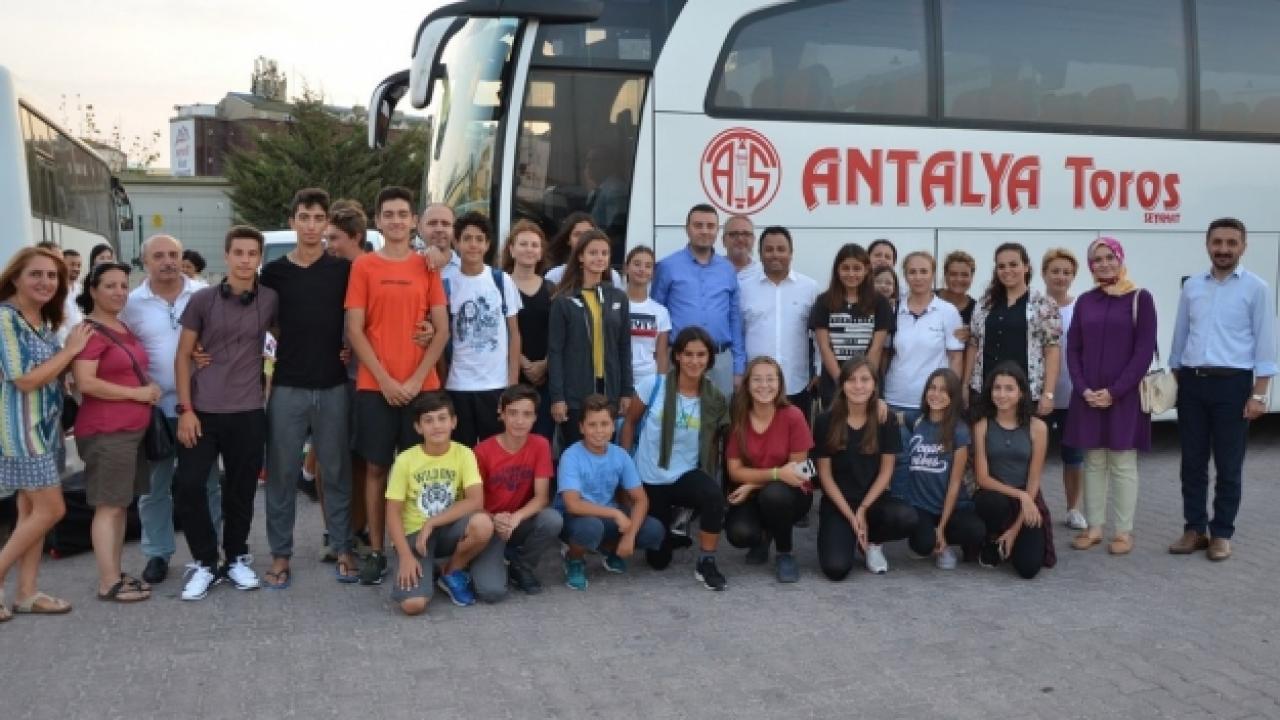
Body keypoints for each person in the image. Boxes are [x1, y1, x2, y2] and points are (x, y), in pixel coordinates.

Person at [346, 186, 450, 586]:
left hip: (422, 387)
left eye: (402, 214)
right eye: (388, 214)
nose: (395, 220)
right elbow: (355, 330)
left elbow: (441, 330)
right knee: (376, 468)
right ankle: (376, 550)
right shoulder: (364, 266)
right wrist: (387, 380)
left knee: (420, 469)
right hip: (376, 386)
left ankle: (415, 546)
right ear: (377, 220)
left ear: (413, 221)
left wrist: (416, 379)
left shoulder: (427, 265)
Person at [173, 226, 279, 601]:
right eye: (239, 252)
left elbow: (284, 341)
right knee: (188, 486)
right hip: (202, 410)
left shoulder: (270, 299)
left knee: (241, 490)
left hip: (248, 411)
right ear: (227, 255)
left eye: (252, 253)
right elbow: (183, 355)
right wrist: (185, 409)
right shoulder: (202, 300)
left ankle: (235, 557)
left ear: (259, 258)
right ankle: (205, 561)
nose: (245, 260)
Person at [258, 189, 358, 587]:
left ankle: (343, 547)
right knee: (282, 475)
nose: (312, 225)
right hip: (287, 386)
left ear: (326, 223)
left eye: (319, 218)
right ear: (292, 222)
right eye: (304, 217)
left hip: (333, 385)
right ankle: (281, 555)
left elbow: (359, 319)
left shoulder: (342, 270)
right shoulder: (274, 273)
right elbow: (261, 323)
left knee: (336, 473)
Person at [1168, 217, 1277, 561]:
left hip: (1233, 385)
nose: (1224, 249)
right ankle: (1194, 529)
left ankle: (1222, 533)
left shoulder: (1257, 288)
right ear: (1207, 244)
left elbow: (1265, 345)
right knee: (1192, 463)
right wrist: (1175, 378)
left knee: (1229, 466)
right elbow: (1180, 336)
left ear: (1243, 246)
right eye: (1217, 242)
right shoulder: (1192, 286)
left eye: (1231, 243)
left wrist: (1258, 395)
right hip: (1192, 383)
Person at [120, 235, 222, 585]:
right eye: (159, 255)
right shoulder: (131, 304)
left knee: (207, 483)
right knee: (154, 487)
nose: (168, 261)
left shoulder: (204, 294)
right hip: (154, 411)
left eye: (174, 254)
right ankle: (158, 553)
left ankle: (210, 550)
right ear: (145, 262)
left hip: (202, 406)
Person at [0, 247, 93, 619]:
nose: (46, 282)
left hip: (46, 426)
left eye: (52, 276)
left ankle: (26, 592)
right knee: (52, 509)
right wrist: (70, 352)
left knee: (30, 512)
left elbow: (52, 372)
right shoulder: (5, 318)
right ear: (15, 278)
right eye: (36, 274)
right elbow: (24, 380)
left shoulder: (41, 318)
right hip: (20, 430)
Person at [72, 261, 161, 604]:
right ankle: (107, 582)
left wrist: (147, 389)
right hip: (107, 432)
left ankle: (115, 573)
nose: (119, 292)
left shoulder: (121, 326)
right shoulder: (89, 332)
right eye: (110, 286)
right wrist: (137, 394)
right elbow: (86, 383)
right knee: (108, 506)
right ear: (92, 290)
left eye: (124, 285)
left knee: (120, 504)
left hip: (130, 430)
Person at [1065, 238, 1157, 556]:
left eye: (1109, 257)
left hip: (1124, 397)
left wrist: (1115, 391)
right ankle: (1094, 527)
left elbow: (1144, 351)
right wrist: (1084, 389)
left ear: (1120, 258)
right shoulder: (1085, 301)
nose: (1103, 264)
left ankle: (1123, 532)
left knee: (1122, 463)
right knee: (1092, 462)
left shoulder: (1140, 298)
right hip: (1089, 396)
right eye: (1097, 260)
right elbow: (1073, 349)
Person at [620, 326, 730, 590]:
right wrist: (624, 471)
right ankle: (671, 527)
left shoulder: (714, 397)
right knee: (658, 560)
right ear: (677, 356)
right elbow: (630, 423)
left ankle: (706, 562)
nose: (694, 361)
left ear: (709, 358)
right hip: (649, 477)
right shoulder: (653, 385)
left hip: (683, 474)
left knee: (713, 495)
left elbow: (718, 440)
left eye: (701, 355)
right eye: (688, 354)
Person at [385, 392, 503, 613]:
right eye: (428, 420)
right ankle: (426, 567)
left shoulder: (464, 454)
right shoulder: (405, 460)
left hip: (450, 528)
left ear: (453, 422)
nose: (436, 426)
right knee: (413, 605)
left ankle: (450, 570)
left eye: (442, 418)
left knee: (482, 523)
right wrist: (405, 555)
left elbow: (476, 501)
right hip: (416, 535)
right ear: (418, 427)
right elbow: (392, 512)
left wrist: (432, 522)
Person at [813, 359, 916, 580]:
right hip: (839, 503)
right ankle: (851, 533)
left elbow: (886, 471)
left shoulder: (885, 418)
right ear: (842, 384)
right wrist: (852, 516)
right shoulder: (824, 421)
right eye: (851, 380)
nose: (858, 386)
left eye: (865, 379)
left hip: (873, 501)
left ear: (874, 384)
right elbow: (825, 477)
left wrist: (862, 509)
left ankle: (873, 543)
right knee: (835, 569)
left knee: (906, 517)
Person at [556, 395, 665, 591]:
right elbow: (573, 504)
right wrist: (616, 513)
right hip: (577, 518)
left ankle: (611, 551)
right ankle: (574, 560)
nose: (599, 431)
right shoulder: (571, 456)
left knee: (653, 529)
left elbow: (641, 500)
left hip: (606, 517)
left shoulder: (620, 455)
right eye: (592, 425)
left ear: (613, 426)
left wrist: (630, 536)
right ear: (581, 427)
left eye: (605, 424)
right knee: (590, 527)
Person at [723, 357, 814, 582]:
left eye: (770, 379)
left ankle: (785, 552)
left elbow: (797, 472)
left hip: (791, 493)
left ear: (780, 384)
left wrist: (754, 483)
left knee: (774, 495)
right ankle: (764, 535)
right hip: (757, 493)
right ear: (747, 384)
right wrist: (773, 475)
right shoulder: (740, 418)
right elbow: (734, 471)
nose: (764, 385)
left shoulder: (793, 415)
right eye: (757, 379)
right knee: (739, 534)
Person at [473, 384, 562, 594]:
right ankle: (481, 557)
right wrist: (495, 520)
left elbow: (541, 498)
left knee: (552, 519)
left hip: (519, 521)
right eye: (513, 413)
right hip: (489, 524)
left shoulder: (540, 445)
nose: (520, 421)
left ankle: (522, 565)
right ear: (502, 414)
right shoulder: (482, 451)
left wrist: (516, 518)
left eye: (526, 414)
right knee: (491, 592)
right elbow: (472, 503)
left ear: (535, 418)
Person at [444, 212, 522, 447]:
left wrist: (512, 383)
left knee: (494, 451)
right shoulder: (446, 283)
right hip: (457, 384)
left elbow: (514, 334)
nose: (473, 244)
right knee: (462, 451)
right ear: (456, 242)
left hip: (496, 384)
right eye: (467, 238)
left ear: (487, 244)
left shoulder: (501, 280)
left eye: (479, 239)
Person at [548, 229, 632, 447]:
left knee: (606, 450)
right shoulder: (563, 300)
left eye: (604, 253)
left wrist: (626, 391)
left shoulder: (618, 298)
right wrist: (558, 397)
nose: (599, 258)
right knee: (576, 450)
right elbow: (555, 352)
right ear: (580, 257)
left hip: (609, 392)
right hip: (576, 394)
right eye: (593, 253)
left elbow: (624, 347)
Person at [895, 369, 985, 570]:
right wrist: (879, 406)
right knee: (922, 545)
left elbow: (955, 483)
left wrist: (942, 527)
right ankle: (929, 540)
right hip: (920, 505)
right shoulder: (916, 420)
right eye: (932, 388)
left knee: (976, 530)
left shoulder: (959, 431)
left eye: (943, 390)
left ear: (953, 396)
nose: (936, 394)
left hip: (951, 505)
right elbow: (893, 417)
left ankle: (944, 542)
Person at [652, 204, 745, 397]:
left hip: (720, 361)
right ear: (687, 229)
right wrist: (660, 363)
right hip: (680, 360)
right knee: (680, 413)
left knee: (719, 414)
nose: (704, 231)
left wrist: (738, 367)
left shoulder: (727, 269)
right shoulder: (667, 266)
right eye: (698, 225)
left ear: (717, 231)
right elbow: (657, 317)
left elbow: (735, 320)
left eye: (710, 226)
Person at [964, 243, 1063, 418]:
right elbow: (973, 344)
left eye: (1013, 264)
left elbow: (1052, 350)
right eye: (1001, 266)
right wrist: (965, 385)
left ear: (1026, 267)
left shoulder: (1043, 303)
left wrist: (1048, 393)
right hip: (985, 392)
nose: (1007, 270)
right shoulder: (984, 304)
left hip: (1026, 395)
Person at [972, 362, 1051, 579]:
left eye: (1009, 389)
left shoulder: (1038, 428)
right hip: (995, 495)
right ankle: (991, 539)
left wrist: (1016, 529)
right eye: (997, 388)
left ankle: (1010, 540)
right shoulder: (982, 425)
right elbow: (982, 478)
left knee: (1028, 569)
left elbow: (1034, 479)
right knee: (990, 502)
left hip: (1027, 497)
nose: (1001, 394)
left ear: (1021, 393)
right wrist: (1020, 495)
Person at [739, 226, 819, 410]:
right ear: (760, 254)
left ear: (791, 253)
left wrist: (819, 370)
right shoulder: (743, 288)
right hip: (755, 385)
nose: (775, 255)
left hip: (796, 384)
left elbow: (818, 335)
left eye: (781, 249)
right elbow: (739, 334)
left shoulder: (810, 288)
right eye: (769, 249)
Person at [809, 243, 892, 408]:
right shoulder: (824, 301)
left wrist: (863, 381)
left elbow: (876, 349)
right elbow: (824, 347)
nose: (851, 273)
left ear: (866, 269)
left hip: (868, 383)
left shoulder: (880, 303)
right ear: (837, 270)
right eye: (845, 268)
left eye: (857, 268)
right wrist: (842, 381)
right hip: (834, 384)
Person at [883, 252, 963, 420]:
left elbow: (955, 358)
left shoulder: (947, 311)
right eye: (912, 272)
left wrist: (952, 396)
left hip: (933, 402)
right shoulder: (893, 309)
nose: (918, 277)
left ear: (933, 274)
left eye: (924, 271)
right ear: (905, 275)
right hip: (895, 399)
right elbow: (884, 353)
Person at [1041, 248, 1086, 531]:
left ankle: (1073, 509)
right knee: (1034, 456)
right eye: (1055, 271)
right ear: (1044, 273)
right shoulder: (1034, 306)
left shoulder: (1081, 307)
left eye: (1066, 272)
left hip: (1073, 395)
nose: (1060, 277)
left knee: (1074, 457)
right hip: (1040, 397)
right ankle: (1034, 506)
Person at [502, 220, 555, 441]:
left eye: (534, 245)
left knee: (541, 438)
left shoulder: (552, 289)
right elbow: (500, 331)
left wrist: (544, 364)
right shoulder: (500, 285)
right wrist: (523, 362)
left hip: (545, 377)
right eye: (523, 244)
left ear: (541, 252)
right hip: (510, 373)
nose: (529, 249)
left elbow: (559, 334)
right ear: (512, 249)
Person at [624, 246, 671, 391]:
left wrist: (661, 385)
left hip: (648, 380)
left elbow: (662, 354)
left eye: (648, 266)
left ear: (653, 273)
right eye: (637, 264)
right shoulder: (614, 305)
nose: (642, 269)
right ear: (626, 268)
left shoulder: (661, 312)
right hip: (619, 378)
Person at [544, 213, 623, 287]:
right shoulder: (555, 275)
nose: (584, 238)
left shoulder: (613, 276)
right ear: (568, 240)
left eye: (588, 233)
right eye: (577, 234)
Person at [938, 250, 978, 332]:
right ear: (945, 275)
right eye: (953, 274)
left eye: (964, 275)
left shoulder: (976, 310)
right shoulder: (928, 298)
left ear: (972, 277)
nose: (959, 279)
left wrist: (970, 336)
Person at [418, 203, 460, 278]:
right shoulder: (405, 267)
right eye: (432, 223)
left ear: (455, 230)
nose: (439, 229)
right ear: (420, 229)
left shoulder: (468, 270)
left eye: (445, 224)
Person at [721, 214, 760, 279]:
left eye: (746, 234)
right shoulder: (710, 270)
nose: (740, 239)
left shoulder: (764, 273)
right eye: (734, 234)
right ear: (723, 240)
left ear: (753, 240)